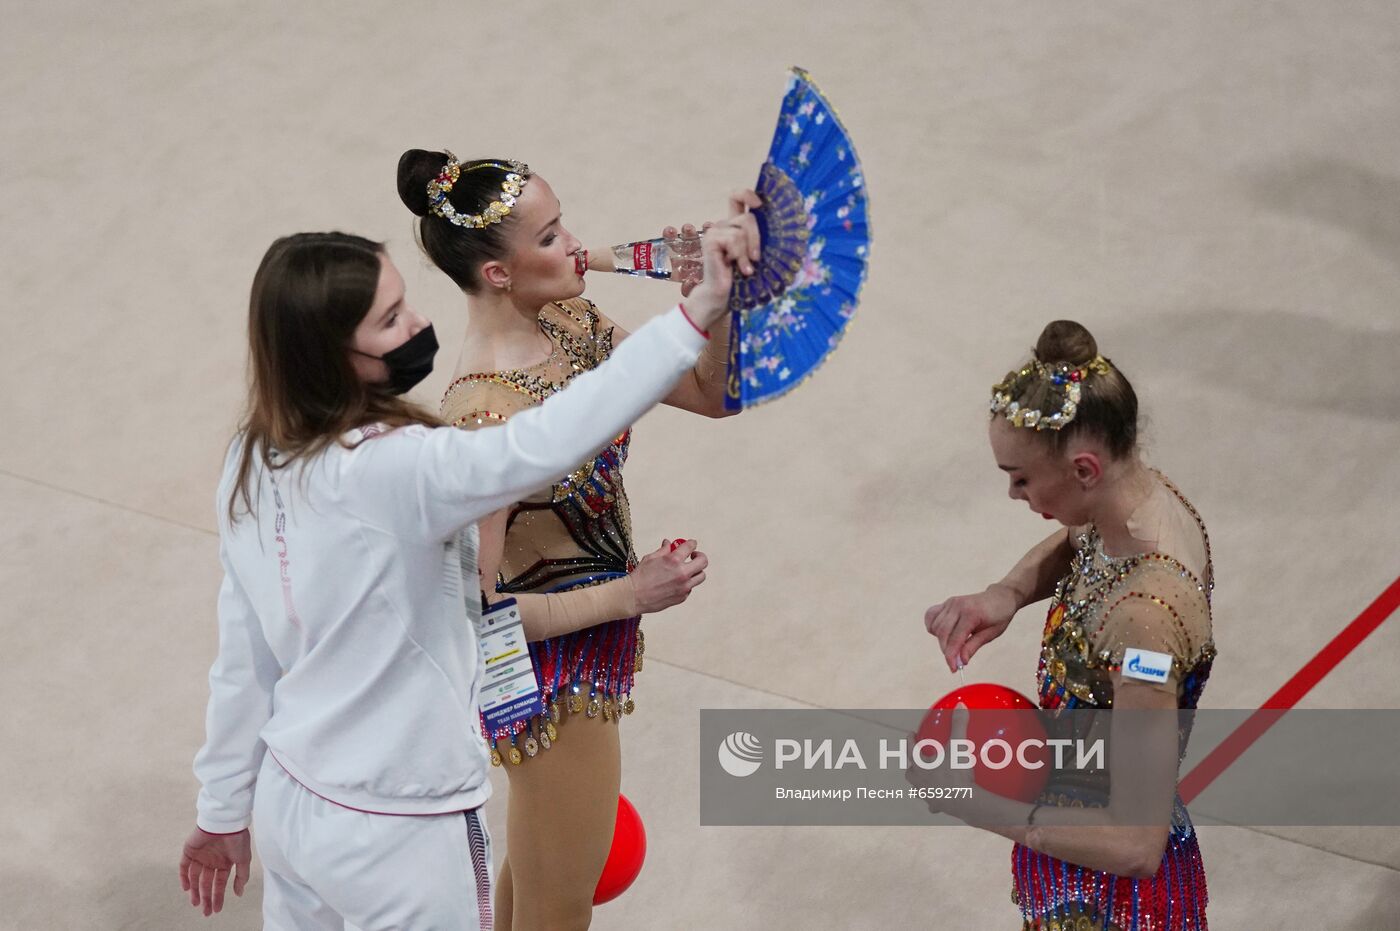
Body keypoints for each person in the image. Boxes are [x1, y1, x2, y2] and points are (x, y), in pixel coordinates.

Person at [178, 214, 759, 929]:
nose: (421, 323)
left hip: (293, 804)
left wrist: (222, 807)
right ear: (331, 356)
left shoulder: (250, 458)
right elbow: (546, 439)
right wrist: (696, 312)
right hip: (402, 831)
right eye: (392, 320)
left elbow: (245, 657)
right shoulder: (400, 471)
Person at [395, 148, 757, 930]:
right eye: (552, 235)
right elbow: (474, 610)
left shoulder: (570, 319)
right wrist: (632, 591)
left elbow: (709, 393)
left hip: (585, 648)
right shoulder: (483, 416)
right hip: (546, 682)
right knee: (561, 911)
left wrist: (721, 301)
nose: (575, 245)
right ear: (498, 273)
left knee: (531, 887)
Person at [919, 320, 1215, 931]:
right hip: (1073, 850)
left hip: (1113, 904)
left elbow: (1136, 844)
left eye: (1021, 477)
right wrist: (1009, 592)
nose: (1012, 493)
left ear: (1084, 469)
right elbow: (1081, 538)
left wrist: (978, 803)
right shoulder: (1139, 502)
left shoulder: (1144, 621)